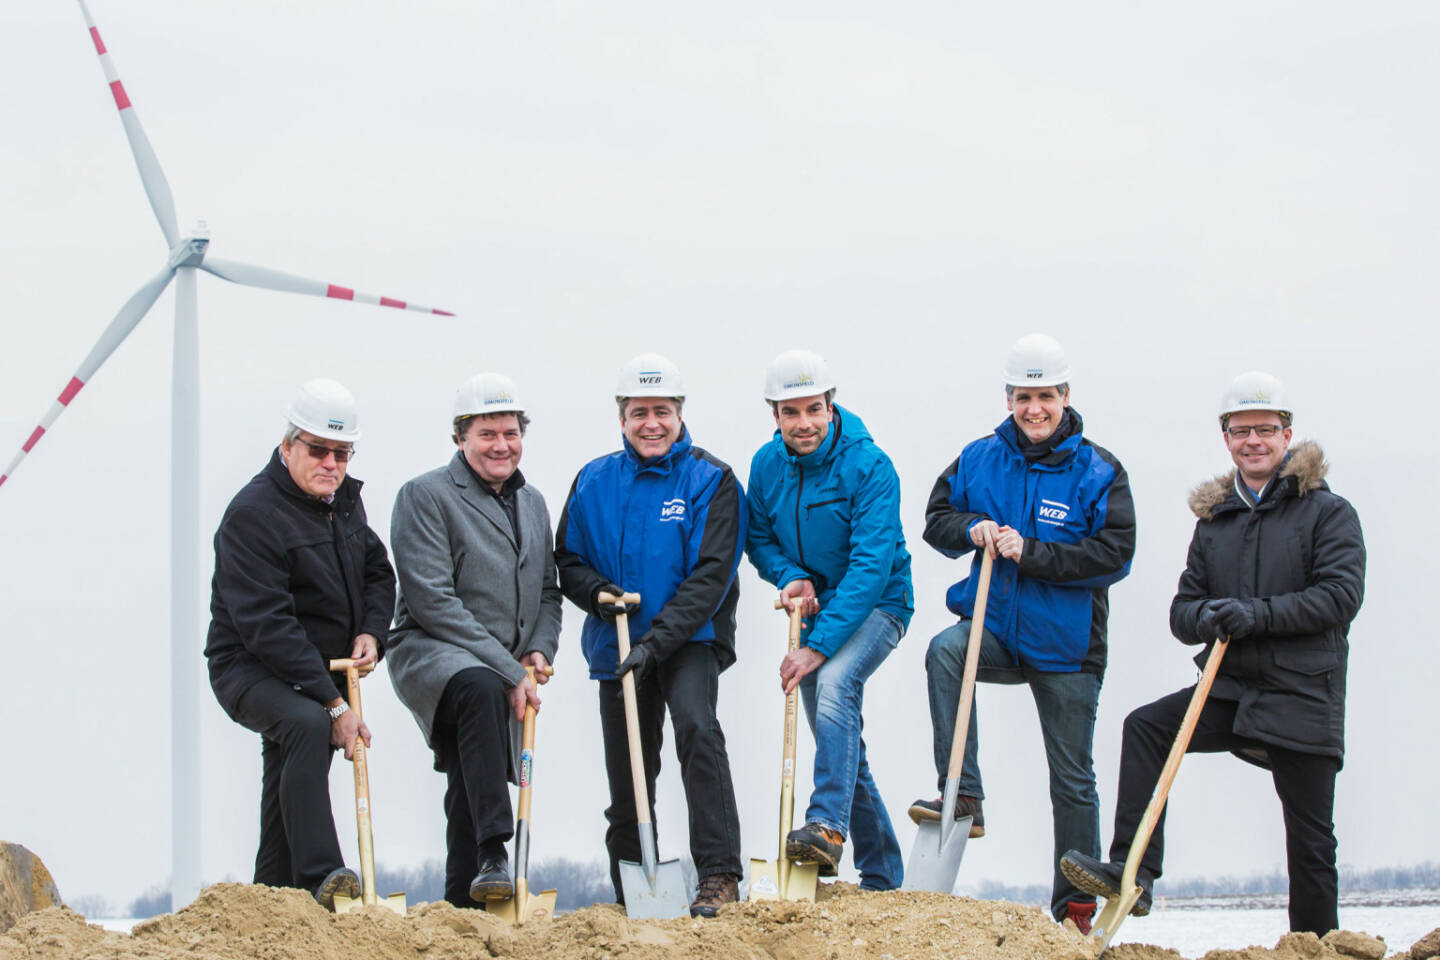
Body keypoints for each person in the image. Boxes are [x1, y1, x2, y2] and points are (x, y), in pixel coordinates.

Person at [1062, 371, 1365, 937]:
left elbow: (1340, 597)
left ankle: (1316, 945)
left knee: (1311, 842)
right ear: (1226, 437)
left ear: (1287, 434)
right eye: (1241, 430)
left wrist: (1257, 614)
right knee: (1147, 727)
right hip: (1228, 688)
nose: (1254, 440)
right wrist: (1208, 617)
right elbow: (1184, 610)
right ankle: (1133, 872)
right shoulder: (1214, 521)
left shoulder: (1329, 513)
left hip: (1302, 693)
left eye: (1266, 429)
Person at [917, 334, 1135, 931]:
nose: (1033, 408)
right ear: (1008, 397)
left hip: (1067, 648)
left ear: (1065, 395)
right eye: (1022, 397)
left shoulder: (1100, 470)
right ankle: (963, 792)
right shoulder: (978, 457)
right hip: (995, 628)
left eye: (1045, 396)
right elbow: (937, 520)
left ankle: (1076, 909)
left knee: (1071, 779)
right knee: (944, 652)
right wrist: (974, 528)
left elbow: (1116, 554)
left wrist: (1032, 552)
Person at [554, 353, 746, 918]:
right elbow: (567, 558)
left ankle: (717, 874)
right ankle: (634, 885)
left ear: (680, 413)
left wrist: (655, 643)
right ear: (622, 418)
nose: (651, 424)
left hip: (690, 641)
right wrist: (596, 594)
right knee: (630, 767)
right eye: (639, 413)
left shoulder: (712, 479)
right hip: (617, 646)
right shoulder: (593, 480)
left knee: (697, 731)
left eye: (662, 411)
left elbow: (711, 576)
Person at [205, 378, 396, 910]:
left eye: (341, 452)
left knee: (290, 765)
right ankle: (322, 876)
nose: (330, 463)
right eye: (318, 450)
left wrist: (372, 632)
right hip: (250, 668)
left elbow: (380, 575)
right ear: (288, 447)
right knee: (306, 724)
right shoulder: (252, 515)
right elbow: (267, 625)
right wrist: (332, 702)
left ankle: (273, 897)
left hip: (318, 669)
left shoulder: (345, 505)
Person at [386, 373, 563, 909]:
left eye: (510, 433)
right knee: (481, 690)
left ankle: (463, 902)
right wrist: (510, 673)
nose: (501, 445)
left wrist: (538, 650)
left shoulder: (532, 502)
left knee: (471, 768)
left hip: (501, 664)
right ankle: (494, 852)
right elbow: (432, 600)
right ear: (461, 437)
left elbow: (549, 591)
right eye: (487, 433)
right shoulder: (425, 495)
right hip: (431, 650)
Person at [744, 349, 913, 888]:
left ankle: (825, 826)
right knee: (837, 740)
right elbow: (758, 536)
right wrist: (790, 574)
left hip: (879, 603)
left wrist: (816, 650)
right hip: (820, 609)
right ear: (774, 414)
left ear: (831, 405)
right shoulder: (766, 465)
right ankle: (883, 871)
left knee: (836, 685)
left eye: (813, 409)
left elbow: (870, 567)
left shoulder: (870, 466)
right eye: (790, 412)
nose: (804, 424)